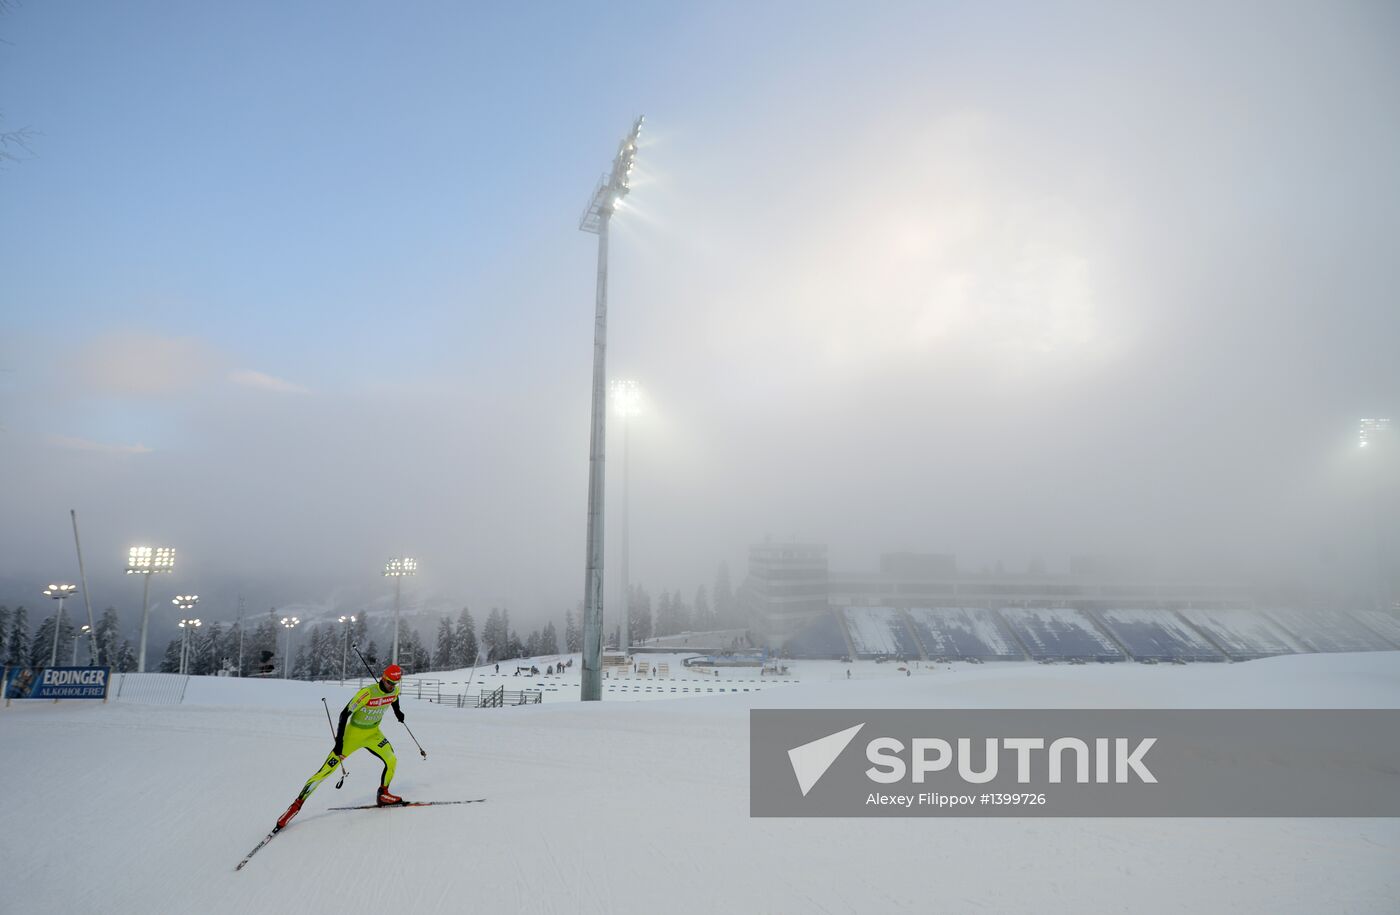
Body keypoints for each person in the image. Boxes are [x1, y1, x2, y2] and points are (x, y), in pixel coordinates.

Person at [275, 664, 407, 830]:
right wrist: (339, 741)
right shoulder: (367, 693)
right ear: (383, 677)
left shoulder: (393, 690)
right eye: (389, 683)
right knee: (324, 772)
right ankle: (295, 806)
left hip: (373, 734)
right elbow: (345, 714)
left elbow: (394, 699)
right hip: (352, 736)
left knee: (392, 759)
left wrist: (398, 712)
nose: (391, 687)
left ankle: (383, 794)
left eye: (395, 683)